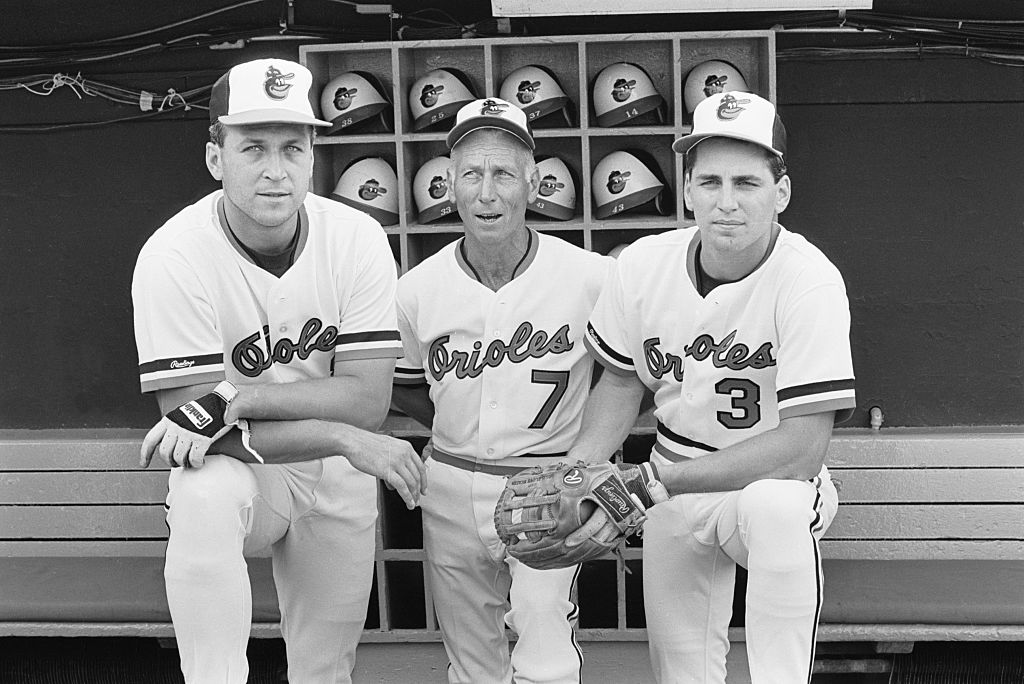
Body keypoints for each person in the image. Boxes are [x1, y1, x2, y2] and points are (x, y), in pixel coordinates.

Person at [131, 57, 426, 684]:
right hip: (251, 469)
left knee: (325, 670)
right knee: (200, 490)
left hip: (335, 475)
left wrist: (235, 397)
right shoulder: (172, 256)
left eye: (293, 147)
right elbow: (192, 428)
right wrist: (342, 435)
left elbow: (368, 401)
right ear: (215, 156)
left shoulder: (357, 238)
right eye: (253, 147)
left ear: (313, 155)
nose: (275, 169)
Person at [567, 91, 856, 683]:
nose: (726, 202)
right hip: (672, 478)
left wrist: (653, 482)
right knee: (682, 671)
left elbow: (803, 448)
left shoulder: (810, 281)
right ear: (689, 188)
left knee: (773, 509)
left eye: (747, 183)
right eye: (711, 182)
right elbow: (622, 382)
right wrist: (579, 476)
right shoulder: (643, 265)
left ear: (782, 193)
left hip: (772, 478)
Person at [390, 97, 613, 684]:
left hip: (546, 481)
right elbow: (411, 391)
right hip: (451, 483)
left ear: (532, 183)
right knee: (470, 660)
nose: (487, 193)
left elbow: (627, 377)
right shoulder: (416, 291)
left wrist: (583, 462)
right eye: (472, 175)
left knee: (546, 647)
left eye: (504, 174)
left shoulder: (591, 277)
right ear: (450, 185)